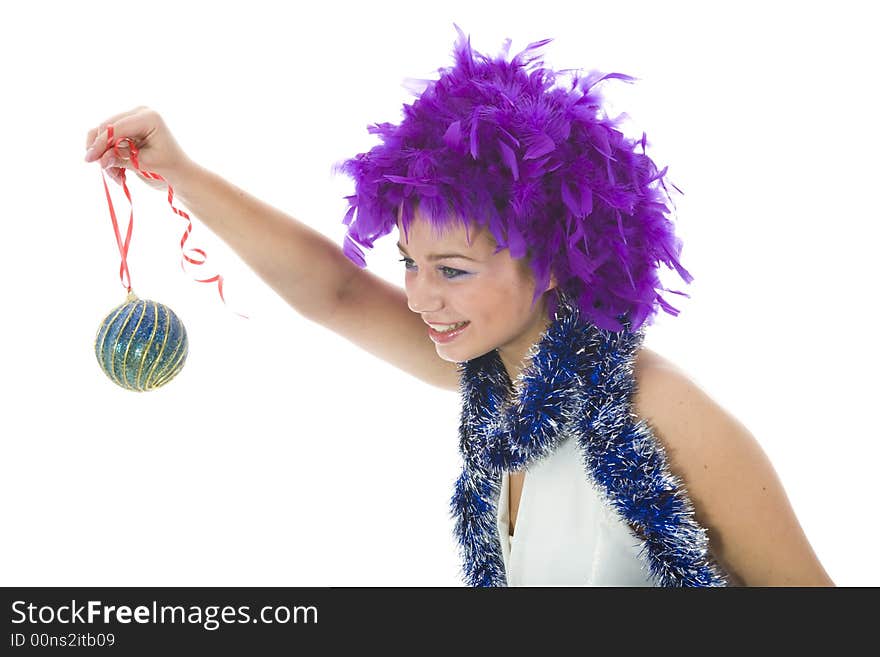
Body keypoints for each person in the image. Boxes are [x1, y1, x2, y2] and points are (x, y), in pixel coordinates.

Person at [83, 27, 835, 587]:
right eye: (409, 262)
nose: (418, 297)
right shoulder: (493, 379)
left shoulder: (661, 411)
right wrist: (176, 171)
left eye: (451, 269)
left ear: (550, 260)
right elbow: (339, 291)